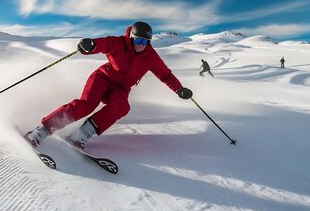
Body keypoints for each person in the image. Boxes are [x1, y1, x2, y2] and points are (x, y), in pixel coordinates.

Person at [24, 21, 192, 150]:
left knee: (122, 106)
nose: (141, 45)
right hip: (102, 79)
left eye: (146, 42)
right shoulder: (118, 43)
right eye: (138, 40)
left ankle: (80, 135)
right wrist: (90, 46)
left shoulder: (150, 56)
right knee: (86, 105)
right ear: (131, 38)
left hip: (120, 89)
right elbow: (103, 44)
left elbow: (165, 74)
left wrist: (179, 89)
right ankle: (41, 131)